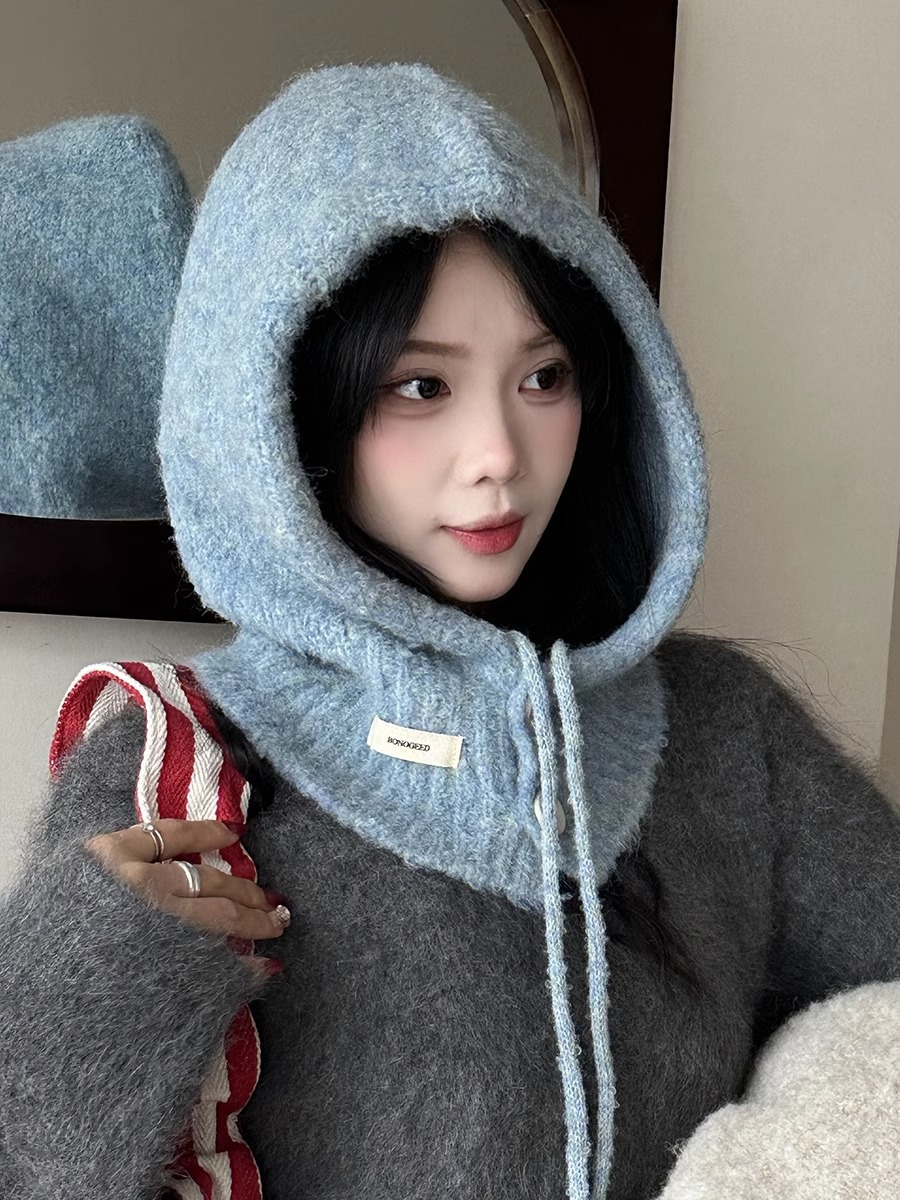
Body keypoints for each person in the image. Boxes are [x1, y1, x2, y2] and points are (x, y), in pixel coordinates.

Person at [0, 61, 898, 1200]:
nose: (500, 455)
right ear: (284, 409)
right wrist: (79, 985)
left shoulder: (726, 732)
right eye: (421, 387)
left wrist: (766, 1167)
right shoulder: (174, 762)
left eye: (545, 376)